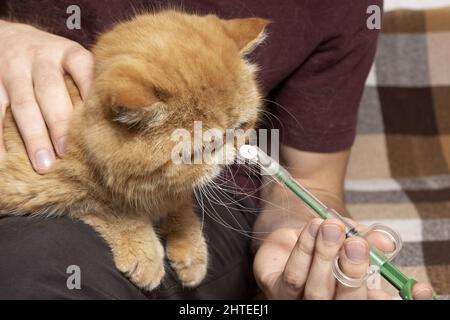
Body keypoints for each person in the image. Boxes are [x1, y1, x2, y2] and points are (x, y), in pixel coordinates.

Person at [0, 0, 434, 300]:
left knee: (41, 269)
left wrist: (295, 236)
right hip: (64, 157)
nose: (235, 149)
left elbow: (308, 178)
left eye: (244, 127)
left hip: (218, 205)